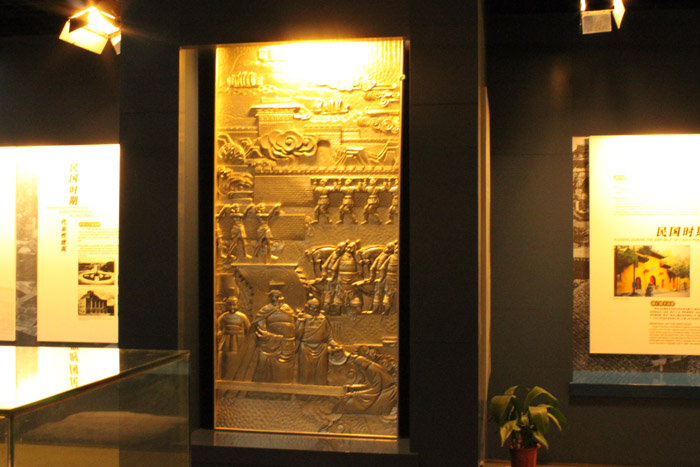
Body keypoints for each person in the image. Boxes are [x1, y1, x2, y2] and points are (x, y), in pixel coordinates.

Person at [252, 289, 301, 383]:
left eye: (280, 297)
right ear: (271, 298)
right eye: (276, 297)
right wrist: (275, 338)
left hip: (288, 344)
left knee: (286, 372)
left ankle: (286, 387)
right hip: (271, 345)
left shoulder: (287, 308)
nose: (279, 299)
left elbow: (295, 323)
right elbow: (260, 328)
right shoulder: (265, 310)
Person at [297, 298, 337, 385]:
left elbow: (329, 337)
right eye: (313, 307)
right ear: (308, 307)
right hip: (305, 348)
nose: (315, 310)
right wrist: (301, 323)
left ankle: (321, 392)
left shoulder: (323, 319)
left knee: (321, 373)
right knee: (306, 372)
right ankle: (304, 392)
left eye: (317, 307)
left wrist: (334, 345)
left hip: (321, 349)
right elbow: (297, 336)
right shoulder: (302, 318)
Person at [216, 297, 250, 379]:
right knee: (225, 358)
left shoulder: (242, 317)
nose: (232, 307)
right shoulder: (223, 317)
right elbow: (217, 328)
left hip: (239, 340)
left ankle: (239, 377)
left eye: (234, 305)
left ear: (238, 305)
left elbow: (248, 330)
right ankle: (224, 376)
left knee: (238, 358)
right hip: (226, 340)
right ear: (227, 305)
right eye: (230, 305)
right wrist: (219, 333)